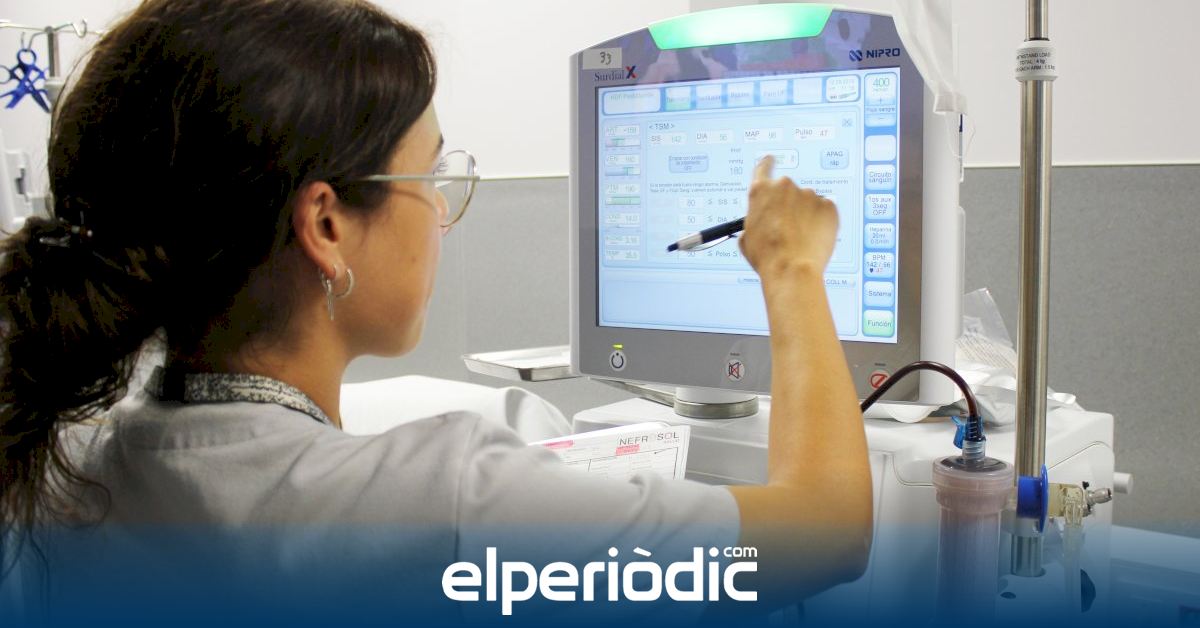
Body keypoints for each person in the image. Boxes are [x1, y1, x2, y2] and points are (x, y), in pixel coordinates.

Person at [0, 0, 871, 622]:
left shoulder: (68, 473)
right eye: (431, 174)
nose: (443, 211)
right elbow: (828, 532)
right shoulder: (445, 499)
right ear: (327, 225)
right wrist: (793, 270)